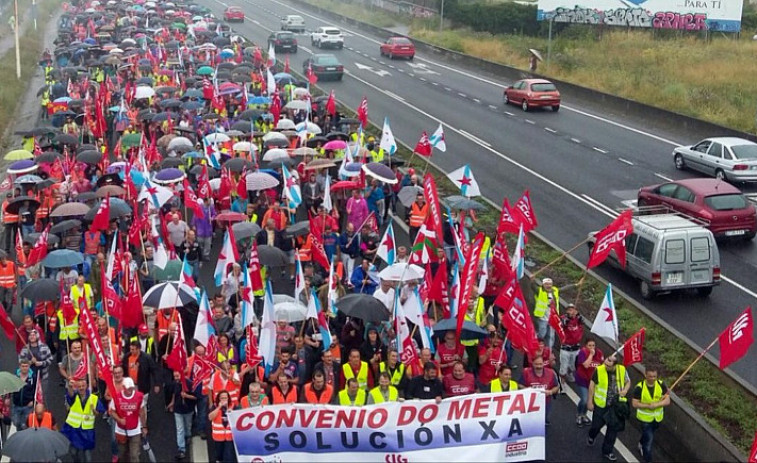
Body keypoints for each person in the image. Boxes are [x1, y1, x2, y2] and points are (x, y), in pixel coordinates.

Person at [587, 356, 631, 462]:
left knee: (612, 430)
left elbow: (628, 382)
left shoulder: (622, 369)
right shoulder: (599, 370)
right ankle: (592, 435)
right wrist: (590, 401)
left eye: (608, 365)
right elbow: (592, 386)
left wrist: (625, 390)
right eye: (605, 363)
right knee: (596, 426)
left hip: (615, 406)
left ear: (615, 365)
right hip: (601, 405)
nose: (605, 366)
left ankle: (607, 451)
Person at [632, 366, 670, 463]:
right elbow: (634, 403)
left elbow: (667, 400)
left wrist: (657, 404)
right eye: (650, 376)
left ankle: (641, 443)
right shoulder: (639, 388)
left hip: (657, 418)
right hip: (645, 419)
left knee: (648, 435)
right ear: (645, 375)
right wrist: (647, 406)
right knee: (649, 442)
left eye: (654, 376)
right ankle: (647, 459)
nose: (653, 379)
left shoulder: (661, 385)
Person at [62, 377, 105, 463]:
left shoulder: (94, 398)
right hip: (75, 430)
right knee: (73, 452)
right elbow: (70, 395)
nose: (81, 388)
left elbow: (98, 413)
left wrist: (94, 410)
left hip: (87, 431)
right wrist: (70, 387)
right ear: (77, 387)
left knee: (88, 458)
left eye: (83, 386)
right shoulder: (74, 396)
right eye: (79, 386)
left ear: (87, 386)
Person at [110, 377, 147, 463]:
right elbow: (112, 411)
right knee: (123, 454)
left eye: (131, 388)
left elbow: (142, 412)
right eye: (128, 389)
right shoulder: (117, 398)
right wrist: (119, 419)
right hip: (121, 431)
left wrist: (144, 426)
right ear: (123, 387)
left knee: (134, 455)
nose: (130, 390)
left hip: (135, 430)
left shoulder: (139, 396)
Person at [167, 370, 200, 460]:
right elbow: (174, 394)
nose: (176, 378)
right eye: (175, 376)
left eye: (177, 376)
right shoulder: (175, 384)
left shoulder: (190, 383)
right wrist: (172, 403)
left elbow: (196, 397)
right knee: (180, 429)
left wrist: (186, 396)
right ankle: (181, 449)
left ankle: (188, 435)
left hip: (188, 409)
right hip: (178, 410)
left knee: (187, 425)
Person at [519, 356, 559, 424]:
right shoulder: (526, 373)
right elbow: (520, 385)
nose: (539, 366)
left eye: (540, 364)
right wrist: (528, 390)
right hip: (530, 402)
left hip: (545, 402)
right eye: (536, 364)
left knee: (544, 418)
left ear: (543, 363)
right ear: (532, 364)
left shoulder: (550, 373)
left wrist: (551, 392)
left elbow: (556, 387)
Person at [575, 338, 604, 426]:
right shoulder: (582, 353)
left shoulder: (599, 353)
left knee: (589, 399)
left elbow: (601, 366)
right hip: (582, 379)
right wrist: (591, 355)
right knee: (584, 399)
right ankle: (579, 414)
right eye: (589, 346)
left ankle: (584, 415)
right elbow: (586, 365)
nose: (592, 348)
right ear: (586, 346)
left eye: (593, 346)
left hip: (592, 381)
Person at [559, 303, 584, 388]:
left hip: (576, 348)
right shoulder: (564, 319)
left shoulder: (579, 319)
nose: (572, 312)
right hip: (566, 348)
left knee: (574, 366)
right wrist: (569, 318)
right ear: (566, 311)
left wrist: (576, 315)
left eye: (573, 310)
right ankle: (562, 381)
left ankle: (569, 374)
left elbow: (581, 321)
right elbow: (563, 323)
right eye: (569, 310)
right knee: (564, 367)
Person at [209, 390, 235, 463]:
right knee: (219, 456)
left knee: (229, 456)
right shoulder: (215, 406)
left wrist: (232, 413)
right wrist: (219, 408)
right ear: (219, 399)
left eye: (225, 398)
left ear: (228, 398)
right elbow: (210, 417)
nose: (224, 400)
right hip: (218, 437)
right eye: (222, 398)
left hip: (229, 436)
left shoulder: (233, 406)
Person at [11, 360, 35, 430]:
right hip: (16, 405)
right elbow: (10, 387)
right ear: (19, 367)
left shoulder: (33, 377)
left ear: (29, 367)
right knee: (16, 422)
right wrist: (7, 398)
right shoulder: (15, 377)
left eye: (26, 366)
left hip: (28, 406)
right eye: (23, 366)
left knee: (25, 425)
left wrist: (34, 401)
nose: (24, 368)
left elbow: (37, 390)